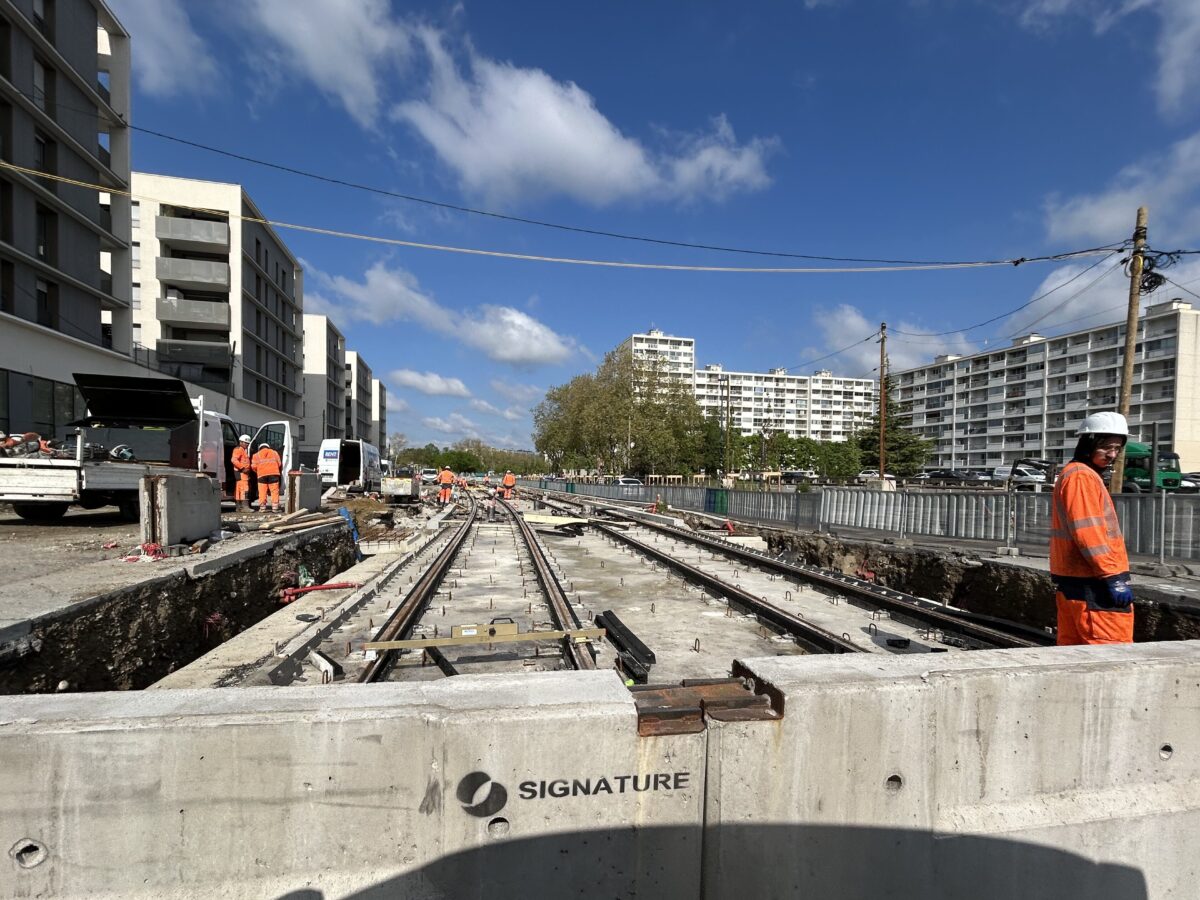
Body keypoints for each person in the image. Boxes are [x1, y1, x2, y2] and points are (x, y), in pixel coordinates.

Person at [1050, 411, 1135, 645]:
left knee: (1073, 658)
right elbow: (1089, 533)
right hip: (1093, 586)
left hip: (1080, 584)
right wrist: (1113, 577)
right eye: (1107, 446)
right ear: (1089, 443)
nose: (1113, 454)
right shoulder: (1081, 476)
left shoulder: (1079, 474)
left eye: (1117, 448)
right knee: (1110, 658)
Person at [251, 442, 282, 513]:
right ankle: (275, 508)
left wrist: (259, 471)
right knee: (274, 491)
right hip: (274, 474)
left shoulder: (256, 455)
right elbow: (279, 463)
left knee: (262, 491)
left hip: (262, 475)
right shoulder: (274, 453)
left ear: (260, 448)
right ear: (268, 447)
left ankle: (262, 508)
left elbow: (253, 466)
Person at [232, 434, 252, 511]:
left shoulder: (243, 450)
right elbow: (234, 460)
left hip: (242, 473)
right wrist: (243, 468)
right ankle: (245, 507)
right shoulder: (238, 449)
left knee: (239, 490)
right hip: (241, 473)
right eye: (246, 443)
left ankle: (239, 507)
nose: (247, 444)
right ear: (241, 442)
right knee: (244, 489)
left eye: (248, 443)